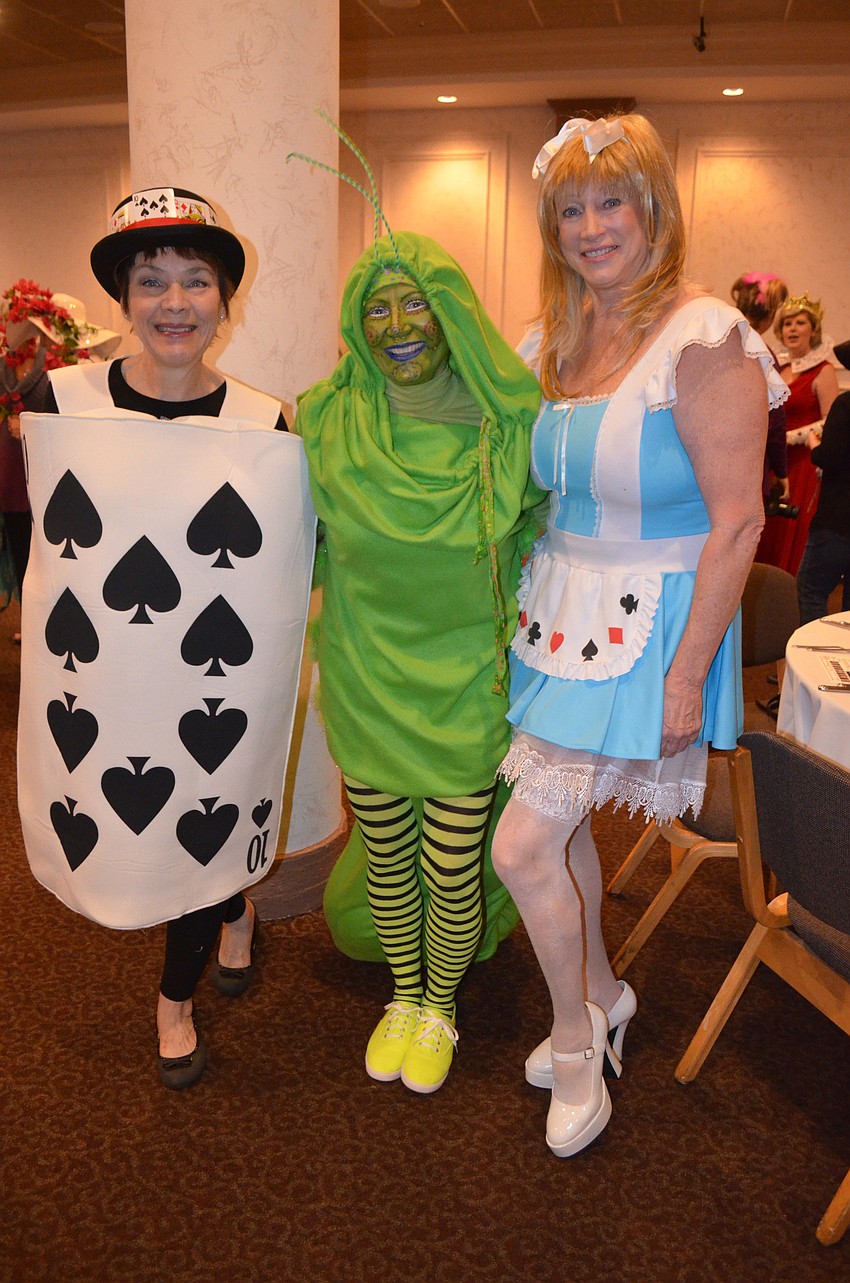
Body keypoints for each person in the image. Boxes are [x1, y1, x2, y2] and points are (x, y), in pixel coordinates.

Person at [489, 114, 787, 1157]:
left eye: (610, 201)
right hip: (557, 619)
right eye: (570, 209)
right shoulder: (551, 338)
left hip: (652, 629)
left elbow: (738, 522)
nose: (590, 227)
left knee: (521, 845)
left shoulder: (704, 337)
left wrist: (687, 676)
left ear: (653, 207)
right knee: (558, 831)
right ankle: (604, 993)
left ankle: (578, 1044)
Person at [34, 188, 288, 1089]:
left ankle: (174, 1000)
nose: (174, 302)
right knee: (134, 819)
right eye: (151, 281)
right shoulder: (59, 401)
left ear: (225, 300)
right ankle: (234, 910)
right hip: (103, 674)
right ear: (123, 298)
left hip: (213, 680)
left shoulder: (263, 423)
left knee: (205, 818)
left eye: (196, 280)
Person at [297, 231, 543, 1093]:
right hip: (365, 677)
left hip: (464, 685)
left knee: (450, 863)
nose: (398, 326)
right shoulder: (325, 420)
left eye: (416, 304)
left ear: (451, 314)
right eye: (377, 308)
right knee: (389, 857)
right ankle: (405, 994)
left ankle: (441, 1004)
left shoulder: (510, 426)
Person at [0, 283, 119, 603]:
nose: (49, 341)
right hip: (33, 478)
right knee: (34, 558)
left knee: (71, 562)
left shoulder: (88, 369)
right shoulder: (36, 369)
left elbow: (90, 432)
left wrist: (29, 430)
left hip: (75, 481)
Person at [755, 293, 839, 574]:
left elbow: (830, 422)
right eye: (787, 323)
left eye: (800, 323)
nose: (792, 329)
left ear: (813, 330)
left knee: (793, 529)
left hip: (803, 464)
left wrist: (791, 438)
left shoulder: (823, 371)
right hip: (774, 460)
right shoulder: (778, 368)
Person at [730, 273, 789, 507]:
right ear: (771, 314)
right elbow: (774, 420)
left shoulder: (717, 340)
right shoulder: (762, 354)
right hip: (747, 466)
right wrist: (781, 471)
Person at [796, 373, 850, 622]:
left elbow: (829, 457)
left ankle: (813, 646)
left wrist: (813, 444)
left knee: (810, 590)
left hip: (838, 518)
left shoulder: (846, 405)